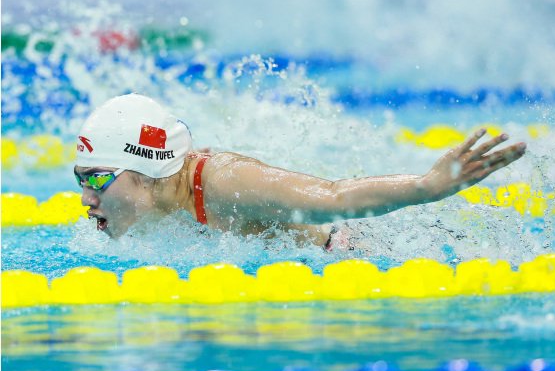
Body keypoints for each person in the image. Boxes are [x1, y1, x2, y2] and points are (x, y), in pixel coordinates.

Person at [74, 94, 527, 249]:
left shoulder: (224, 182)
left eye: (96, 178)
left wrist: (427, 186)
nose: (86, 198)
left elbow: (332, 196)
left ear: (145, 167)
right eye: (81, 180)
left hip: (355, 258)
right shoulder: (152, 204)